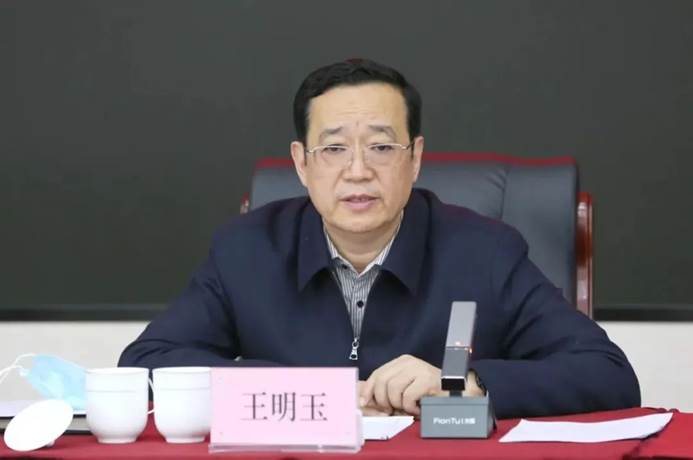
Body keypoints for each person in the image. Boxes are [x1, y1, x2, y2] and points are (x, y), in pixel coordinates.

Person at [119, 58, 640, 419]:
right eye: (334, 149)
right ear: (301, 164)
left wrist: (463, 383)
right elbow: (146, 364)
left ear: (415, 159)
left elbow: (608, 374)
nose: (358, 171)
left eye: (382, 147)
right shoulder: (247, 249)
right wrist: (300, 389)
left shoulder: (486, 252)